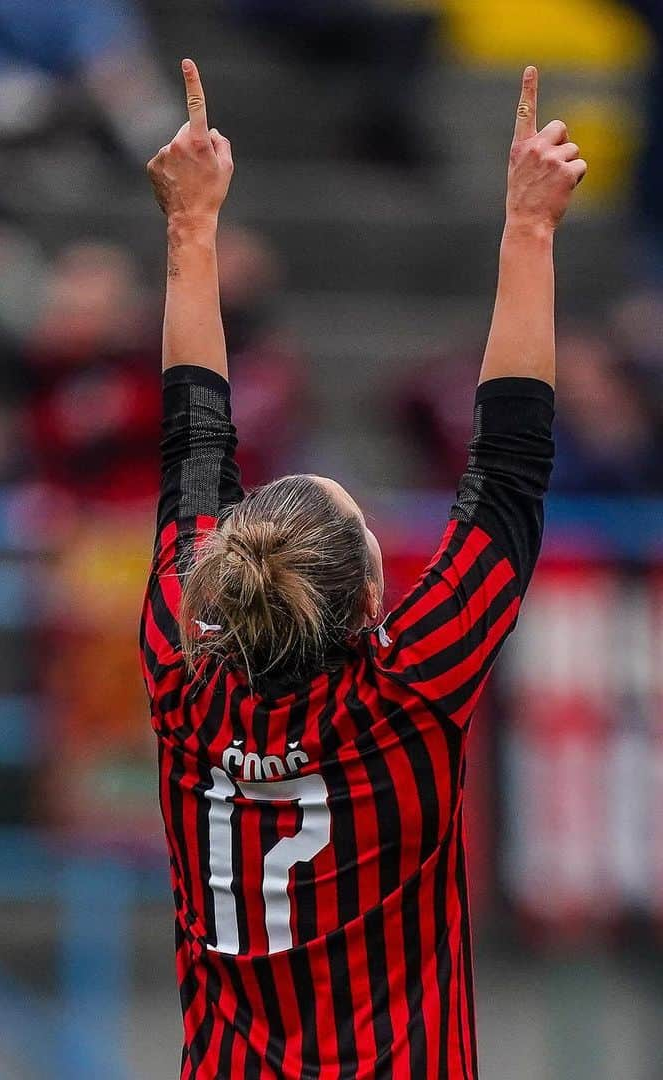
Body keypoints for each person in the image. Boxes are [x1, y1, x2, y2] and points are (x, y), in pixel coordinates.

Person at [141, 61, 585, 1079]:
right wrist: (528, 226)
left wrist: (190, 226)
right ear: (375, 604)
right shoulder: (406, 694)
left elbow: (190, 446)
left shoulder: (183, 680)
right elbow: (509, 476)